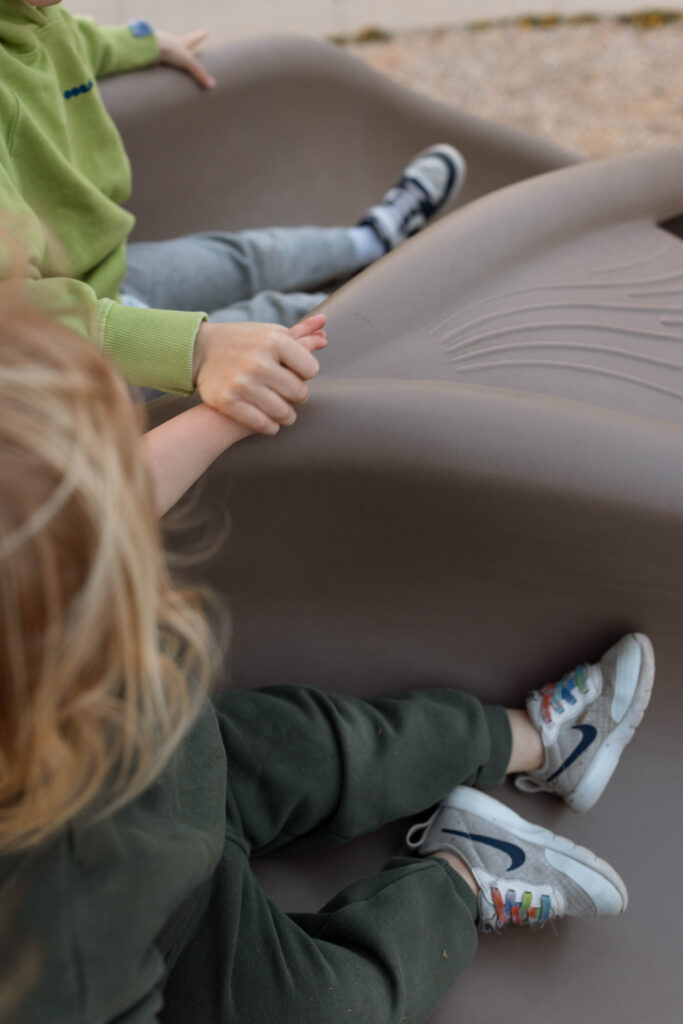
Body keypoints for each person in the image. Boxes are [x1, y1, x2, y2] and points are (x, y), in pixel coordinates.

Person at [0, 295, 655, 1023]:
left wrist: (226, 404)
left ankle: (536, 741)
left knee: (316, 744)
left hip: (182, 767)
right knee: (327, 1007)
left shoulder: (50, 592)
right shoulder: (60, 957)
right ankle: (464, 874)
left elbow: (88, 509)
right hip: (165, 928)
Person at [0, 0, 466, 432]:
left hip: (105, 274)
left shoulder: (32, 12)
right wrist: (196, 349)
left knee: (248, 256)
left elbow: (70, 37)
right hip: (70, 370)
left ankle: (371, 240)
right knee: (281, 321)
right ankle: (419, 307)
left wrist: (143, 42)